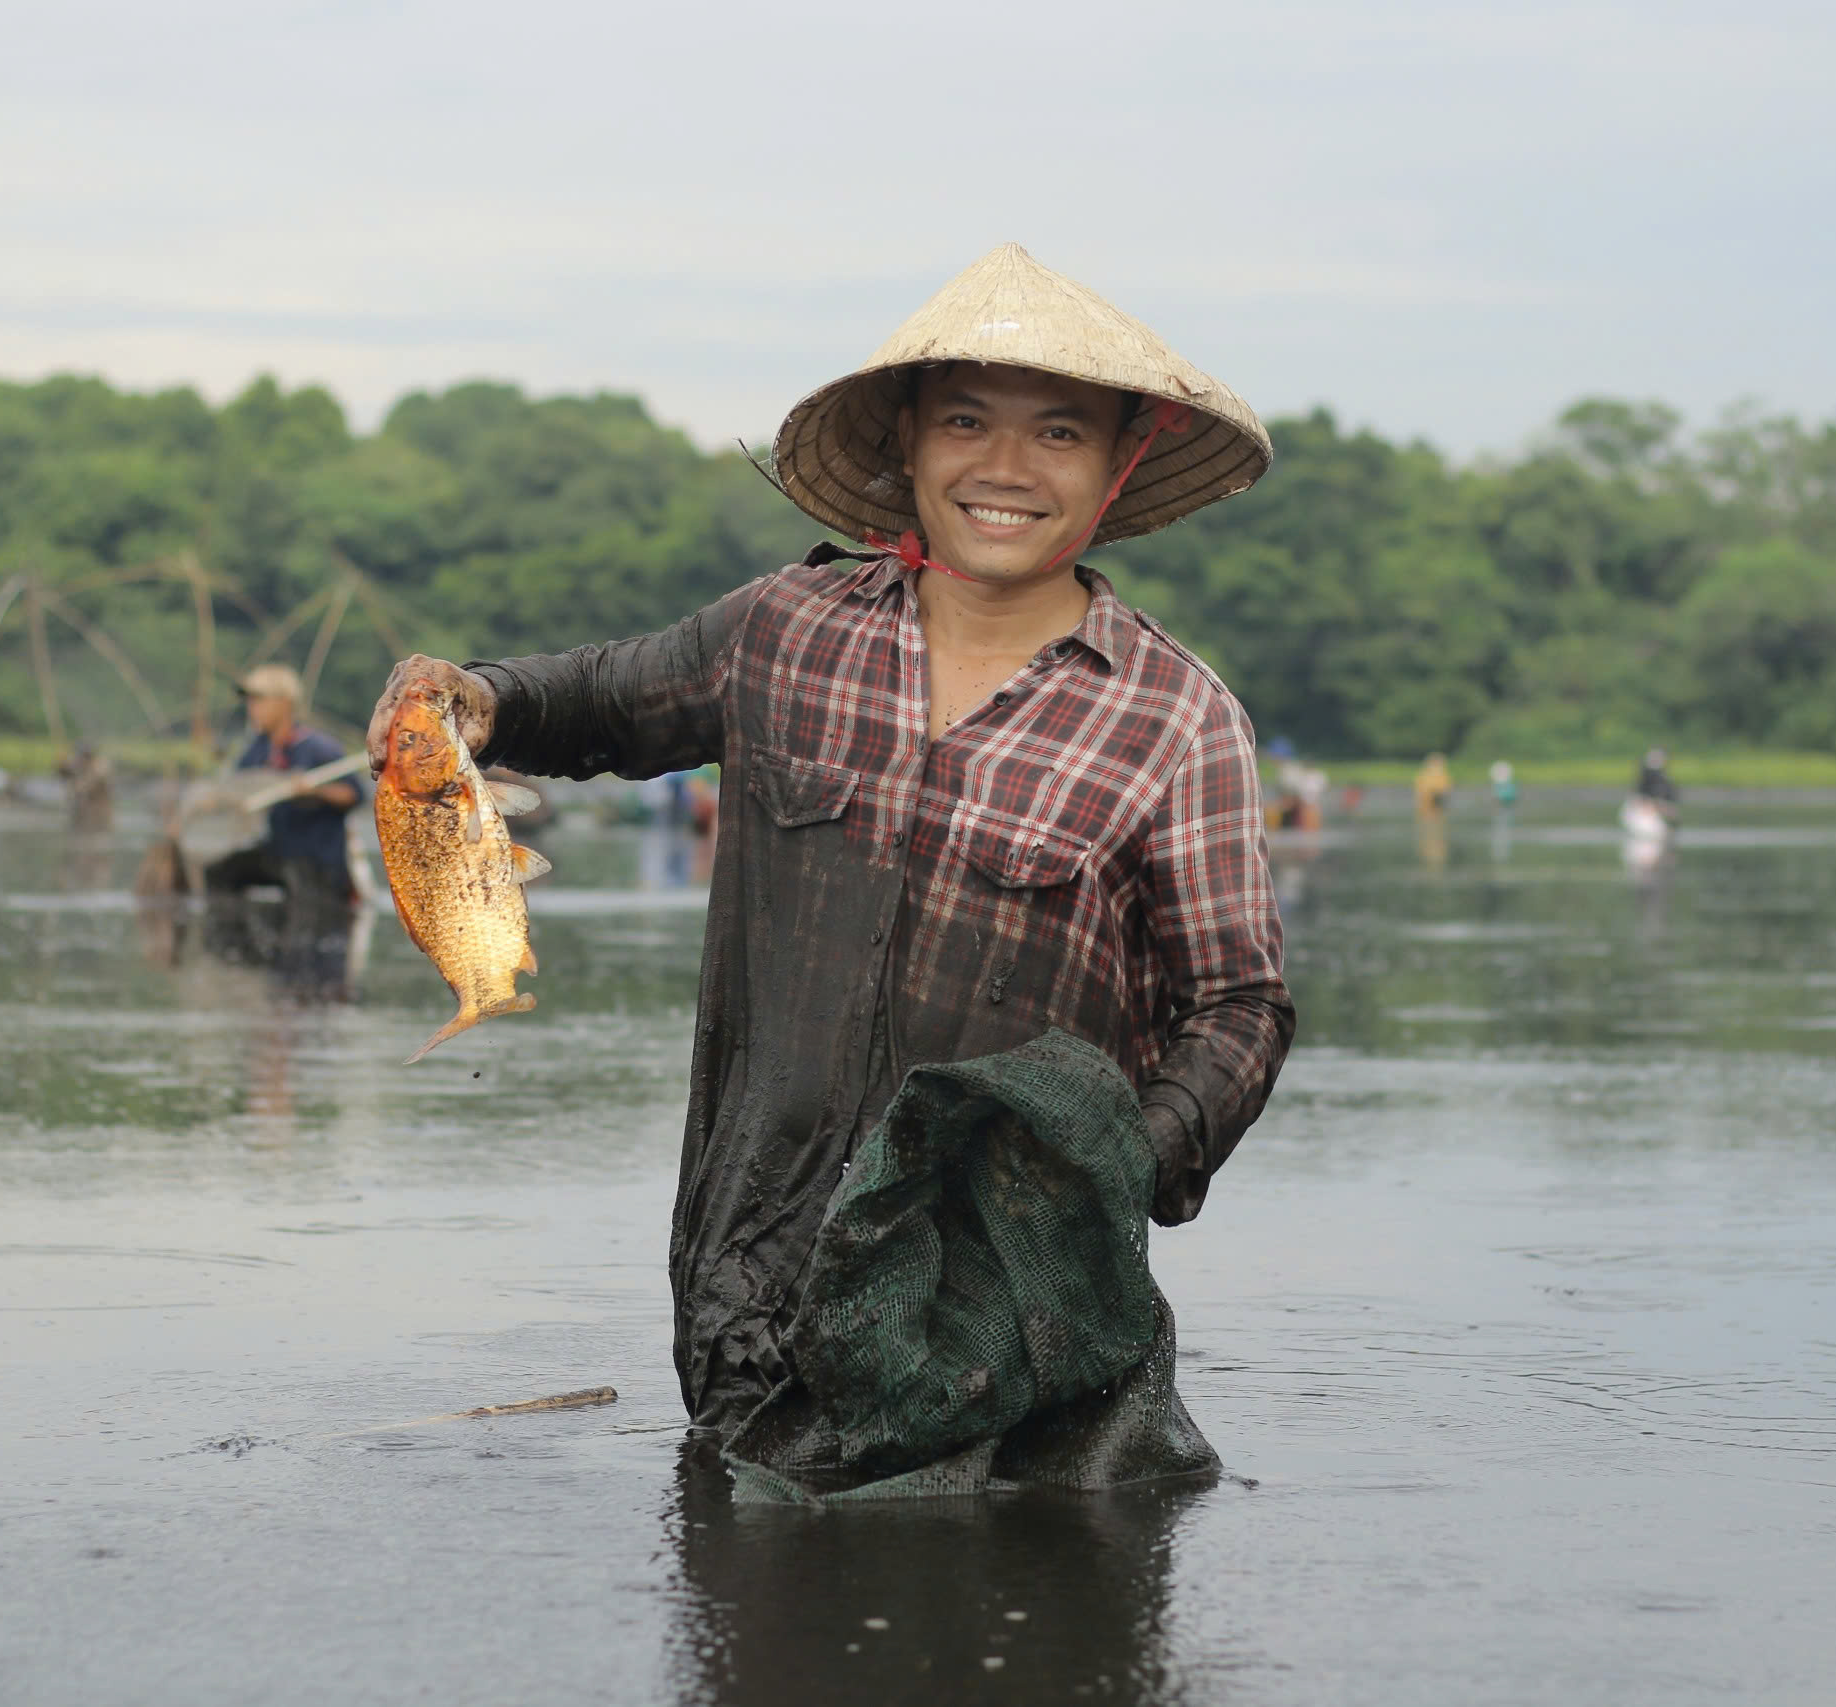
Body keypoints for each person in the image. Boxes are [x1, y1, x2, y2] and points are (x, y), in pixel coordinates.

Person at [367, 244, 1293, 1446]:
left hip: (1010, 1299)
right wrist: (471, 699)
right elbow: (595, 699)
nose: (1005, 468)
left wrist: (1121, 1159)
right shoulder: (784, 632)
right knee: (755, 1607)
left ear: (1120, 465)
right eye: (966, 420)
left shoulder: (1178, 716)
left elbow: (1239, 1008)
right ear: (906, 442)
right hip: (750, 1282)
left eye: (1059, 434)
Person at [204, 664, 363, 983]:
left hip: (316, 861)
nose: (253, 708)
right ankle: (244, 950)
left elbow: (353, 795)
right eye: (250, 700)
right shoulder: (255, 751)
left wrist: (314, 791)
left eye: (259, 700)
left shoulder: (319, 748)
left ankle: (307, 975)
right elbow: (240, 789)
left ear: (284, 703)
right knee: (221, 872)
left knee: (310, 939)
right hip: (276, 853)